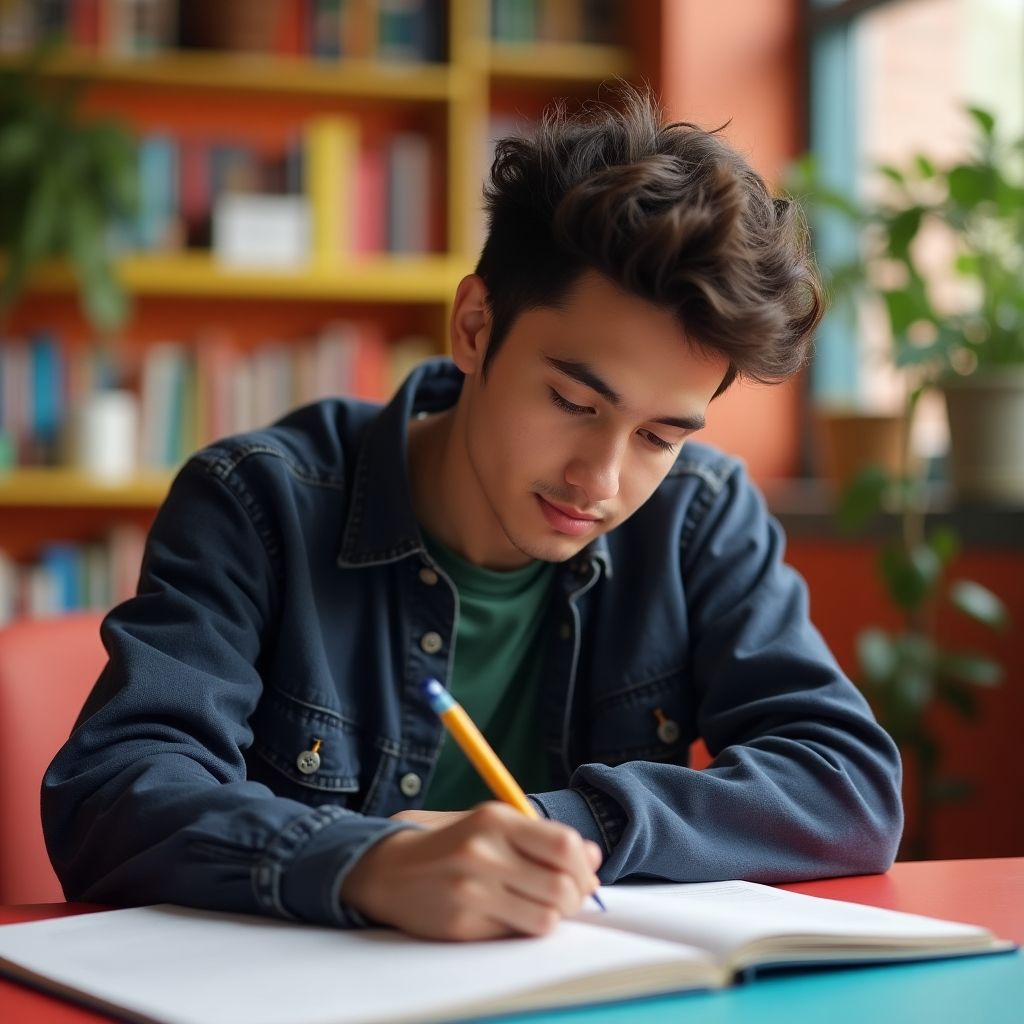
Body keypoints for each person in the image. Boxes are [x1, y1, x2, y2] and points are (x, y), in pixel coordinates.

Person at [43, 88, 903, 942]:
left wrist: (567, 827)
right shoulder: (256, 501)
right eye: (571, 400)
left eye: (659, 435)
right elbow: (111, 792)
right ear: (474, 326)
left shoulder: (700, 518)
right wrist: (362, 862)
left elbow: (847, 785)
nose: (598, 477)